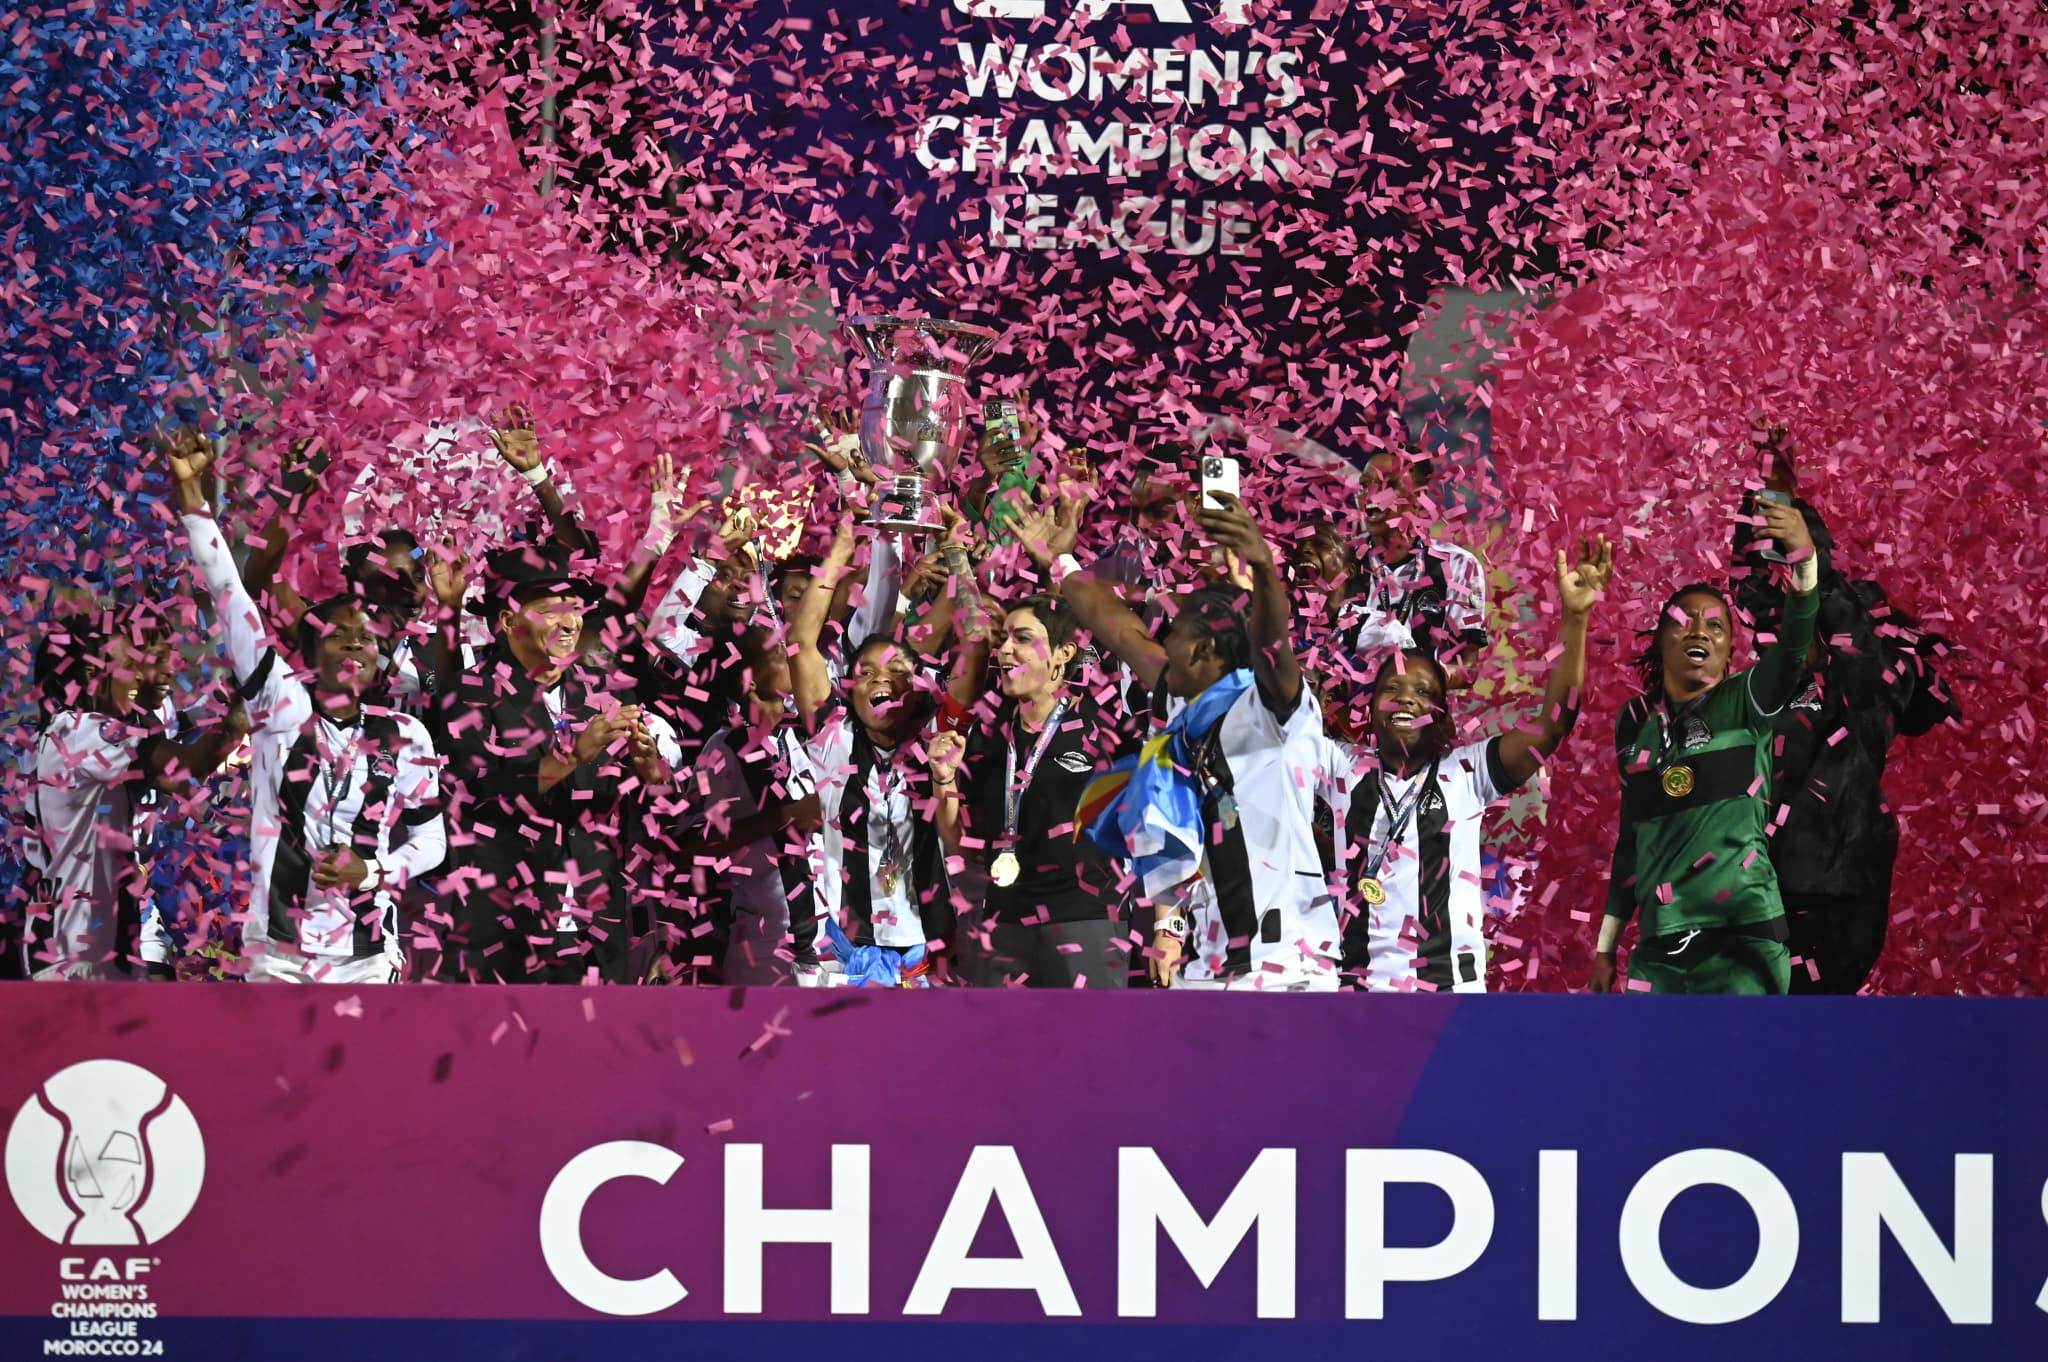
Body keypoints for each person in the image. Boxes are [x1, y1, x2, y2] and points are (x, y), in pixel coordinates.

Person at [169, 433, 446, 985]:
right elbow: (230, 592)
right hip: (277, 953)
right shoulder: (280, 702)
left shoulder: (407, 732)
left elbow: (431, 840)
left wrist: (373, 871)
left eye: (365, 638)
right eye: (339, 636)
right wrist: (192, 498)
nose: (354, 644)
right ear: (311, 651)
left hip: (368, 956)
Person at [1058, 488, 1336, 990]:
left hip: (1285, 970)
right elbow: (1118, 632)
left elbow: (1273, 649)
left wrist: (1263, 569)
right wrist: (1057, 559)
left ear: (1204, 649)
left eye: (1176, 633)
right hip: (1210, 962)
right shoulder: (1183, 707)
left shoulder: (1267, 710)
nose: (1165, 641)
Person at [1728, 430, 1961, 991]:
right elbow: (1755, 587)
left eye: (1807, 596)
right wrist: (1771, 496)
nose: (1793, 608)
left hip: (1838, 894)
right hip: (1752, 889)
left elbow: (1851, 636)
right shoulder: (1763, 683)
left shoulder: (1873, 676)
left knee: (1814, 1030)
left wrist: (1807, 552)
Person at [1332, 537, 1612, 991]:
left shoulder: (1466, 772)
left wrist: (1576, 619)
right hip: (1352, 996)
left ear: (1443, 712)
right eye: (1391, 689)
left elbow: (1553, 724)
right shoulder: (1341, 767)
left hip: (1447, 996)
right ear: (1371, 707)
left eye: (1423, 691)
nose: (1406, 699)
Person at [1591, 497, 1819, 994]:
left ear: (1729, 649)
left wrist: (1805, 564)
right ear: (1661, 638)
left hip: (1743, 937)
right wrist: (1607, 945)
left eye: (1715, 625)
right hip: (1660, 946)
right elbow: (1632, 837)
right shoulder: (1633, 720)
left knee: (1739, 1051)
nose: (1700, 631)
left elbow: (1793, 648)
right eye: (1685, 620)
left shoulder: (1746, 700)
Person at [430, 538, 671, 984]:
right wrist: (572, 755)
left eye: (573, 608)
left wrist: (651, 770)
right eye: (550, 610)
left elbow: (650, 804)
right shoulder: (470, 691)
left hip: (596, 927)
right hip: (505, 930)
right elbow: (479, 790)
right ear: (508, 621)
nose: (569, 623)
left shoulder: (605, 690)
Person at [20, 604, 246, 980]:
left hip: (96, 947)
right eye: (137, 662)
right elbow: (186, 771)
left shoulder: (69, 732)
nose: (153, 672)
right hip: (76, 958)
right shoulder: (82, 731)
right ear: (93, 672)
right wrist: (247, 706)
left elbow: (173, 737)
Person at [788, 515, 969, 978]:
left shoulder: (938, 741)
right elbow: (801, 644)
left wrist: (957, 556)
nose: (879, 679)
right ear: (850, 690)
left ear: (918, 687)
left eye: (895, 671)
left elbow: (978, 645)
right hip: (851, 953)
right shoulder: (834, 740)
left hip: (932, 956)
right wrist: (840, 549)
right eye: (865, 672)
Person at [929, 594, 1131, 989]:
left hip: (1084, 919)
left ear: (1063, 654)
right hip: (1003, 921)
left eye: (1022, 638)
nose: (1005, 649)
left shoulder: (1104, 730)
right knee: (1003, 1033)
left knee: (1088, 1032)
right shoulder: (986, 733)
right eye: (1004, 638)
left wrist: (1166, 925)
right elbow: (961, 846)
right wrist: (943, 778)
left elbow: (1145, 830)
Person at [1334, 442, 1488, 679]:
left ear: (1418, 498)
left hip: (1418, 699)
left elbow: (1468, 668)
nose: (1371, 494)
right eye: (1364, 486)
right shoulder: (1341, 558)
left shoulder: (1459, 565)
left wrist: (1417, 679)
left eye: (1387, 485)